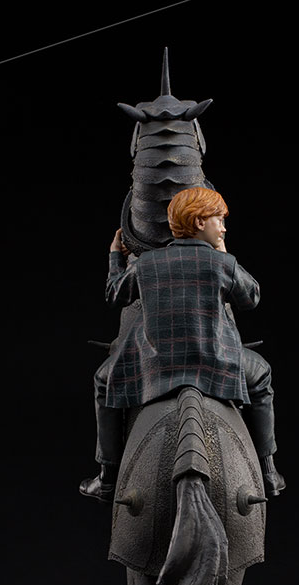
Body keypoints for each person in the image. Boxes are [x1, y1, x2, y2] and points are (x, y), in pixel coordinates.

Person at [80, 186, 285, 502]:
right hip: (216, 365)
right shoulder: (222, 263)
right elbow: (251, 298)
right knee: (262, 376)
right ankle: (268, 472)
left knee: (102, 382)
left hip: (154, 367)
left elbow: (114, 295)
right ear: (200, 222)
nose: (223, 228)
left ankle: (107, 478)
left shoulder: (147, 264)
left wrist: (115, 257)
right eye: (219, 220)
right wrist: (223, 254)